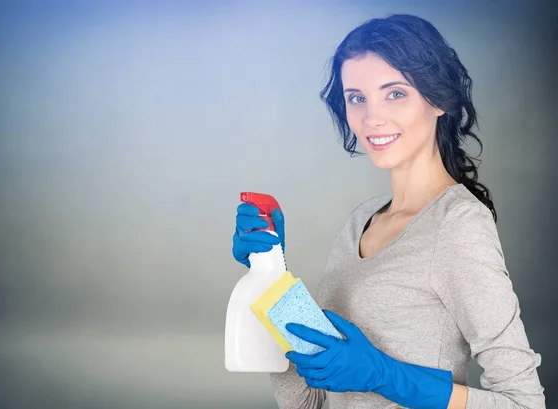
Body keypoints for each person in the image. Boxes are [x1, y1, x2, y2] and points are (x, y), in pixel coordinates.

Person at [231, 13, 546, 409]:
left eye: (394, 93)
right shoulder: (359, 222)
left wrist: (385, 375)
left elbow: (523, 403)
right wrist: (269, 274)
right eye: (356, 97)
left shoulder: (458, 226)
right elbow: (310, 403)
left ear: (438, 100)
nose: (372, 117)